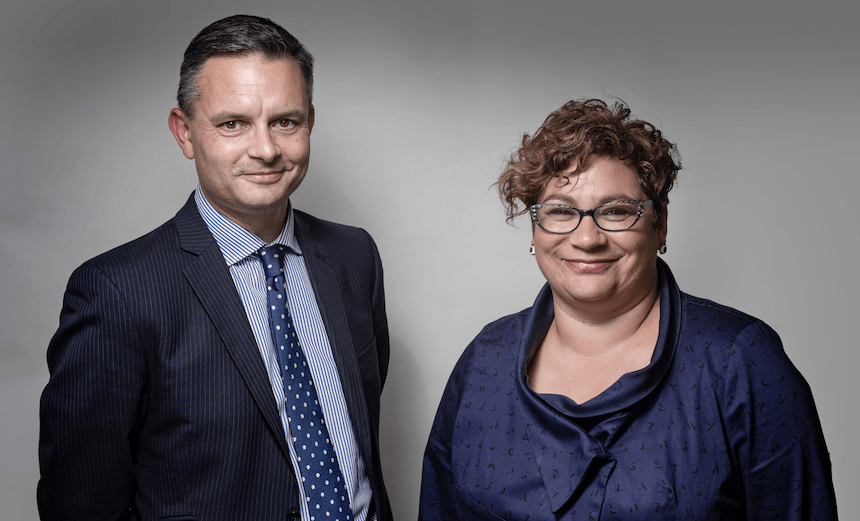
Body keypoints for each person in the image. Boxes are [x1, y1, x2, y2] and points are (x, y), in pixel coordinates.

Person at [38, 14, 391, 521]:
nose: (266, 149)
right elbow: (80, 503)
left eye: (285, 121)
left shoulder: (354, 257)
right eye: (233, 124)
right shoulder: (115, 291)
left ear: (309, 122)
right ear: (184, 133)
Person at [418, 99, 837, 520]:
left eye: (616, 211)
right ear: (534, 228)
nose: (587, 238)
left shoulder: (740, 361)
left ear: (661, 224)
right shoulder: (484, 359)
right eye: (560, 211)